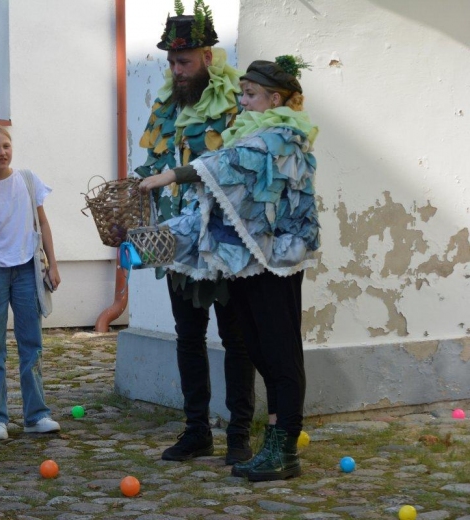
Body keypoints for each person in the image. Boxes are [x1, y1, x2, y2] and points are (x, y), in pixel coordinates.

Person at [140, 56, 319, 481]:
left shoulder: (281, 137)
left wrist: (172, 176)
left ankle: (283, 446)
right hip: (251, 262)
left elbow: (228, 164)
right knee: (258, 348)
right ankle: (276, 447)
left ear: (275, 98)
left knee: (279, 353)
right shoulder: (252, 131)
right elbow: (224, 195)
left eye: (251, 94)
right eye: (242, 93)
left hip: (278, 261)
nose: (242, 101)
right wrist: (163, 234)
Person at [134, 1, 256, 464]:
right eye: (170, 61)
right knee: (188, 336)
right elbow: (152, 165)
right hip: (177, 242)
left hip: (223, 241)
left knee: (236, 339)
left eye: (183, 61)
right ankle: (196, 430)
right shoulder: (167, 103)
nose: (175, 70)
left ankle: (239, 435)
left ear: (208, 57)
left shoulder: (235, 107)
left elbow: (238, 168)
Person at [0, 125, 61, 440]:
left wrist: (52, 264)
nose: (2, 152)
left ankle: (36, 415)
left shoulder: (27, 179)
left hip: (27, 267)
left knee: (31, 344)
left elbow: (44, 222)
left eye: (6, 146)